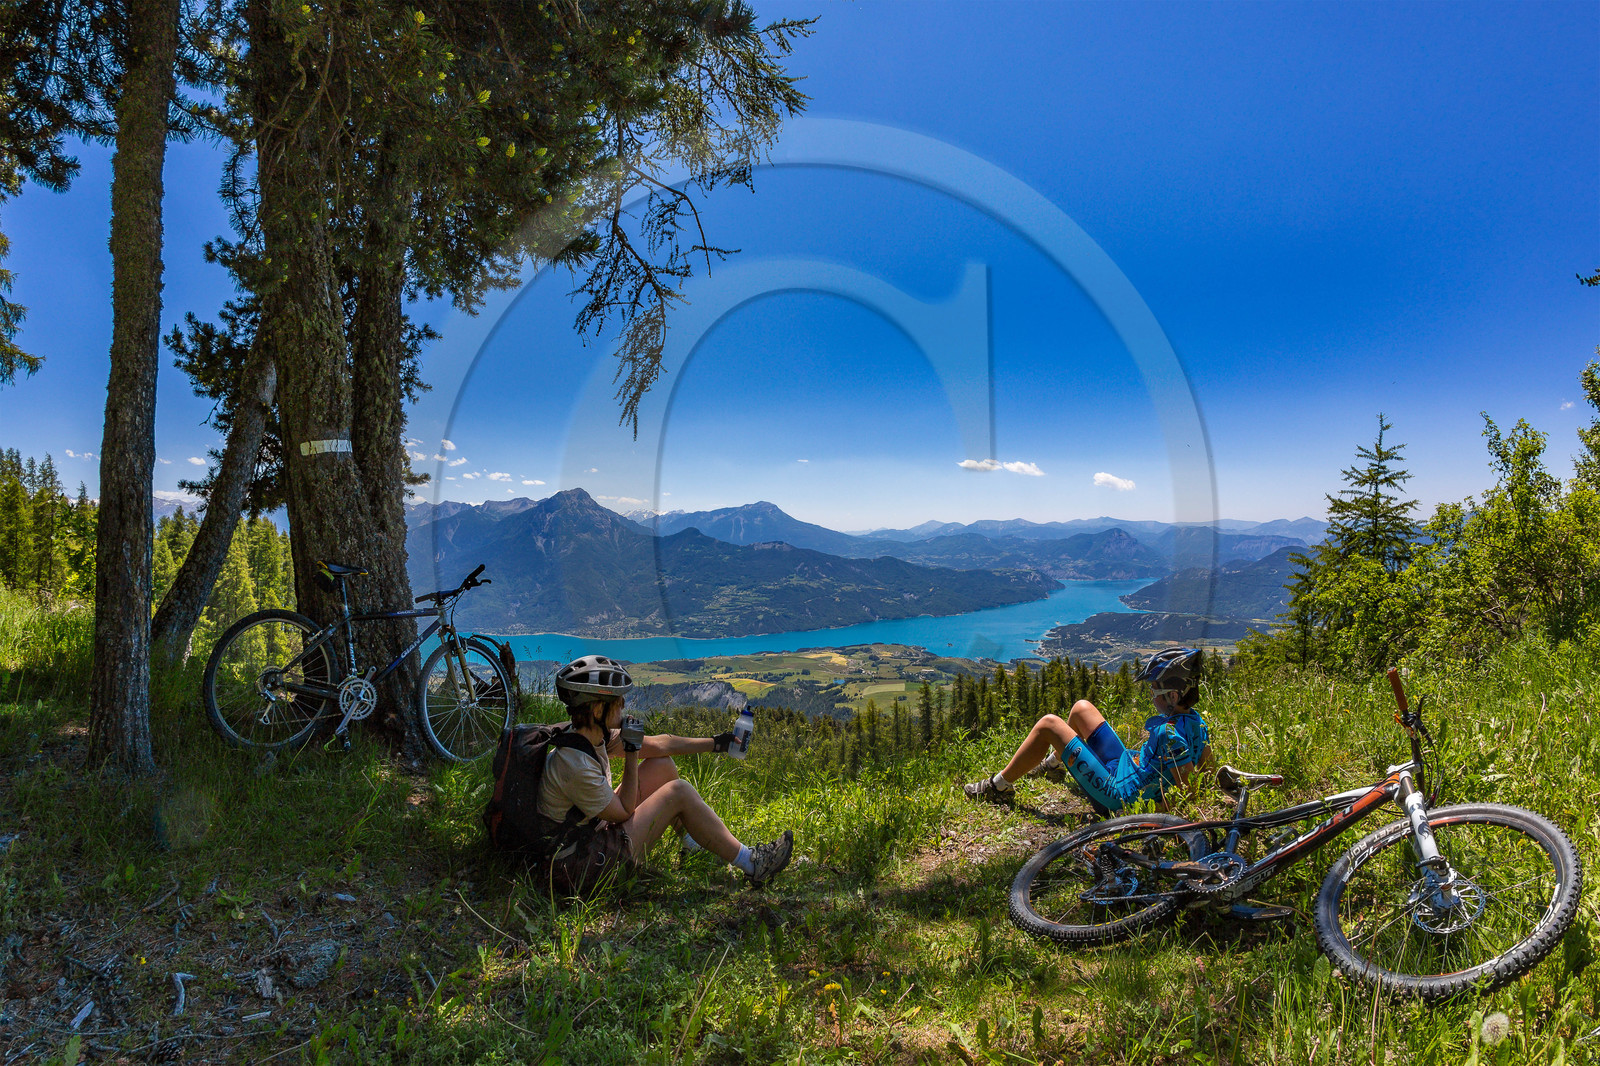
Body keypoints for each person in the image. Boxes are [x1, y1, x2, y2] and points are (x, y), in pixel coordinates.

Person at [538, 654, 794, 890]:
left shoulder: (590, 735)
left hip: (589, 832)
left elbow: (662, 745)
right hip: (580, 866)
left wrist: (718, 744)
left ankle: (693, 846)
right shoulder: (574, 764)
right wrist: (631, 752)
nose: (623, 703)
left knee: (662, 765)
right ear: (597, 710)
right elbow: (624, 810)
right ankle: (752, 863)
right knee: (678, 792)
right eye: (616, 699)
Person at [963, 647, 1212, 815]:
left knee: (1049, 724)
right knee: (1082, 709)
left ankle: (997, 788)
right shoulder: (1196, 722)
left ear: (1172, 695)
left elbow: (1189, 793)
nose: (1150, 693)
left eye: (1154, 687)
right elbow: (1207, 770)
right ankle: (1054, 766)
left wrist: (1145, 812)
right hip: (1127, 767)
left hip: (1118, 794)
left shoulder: (1169, 735)